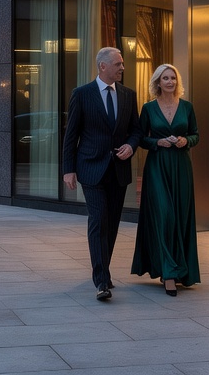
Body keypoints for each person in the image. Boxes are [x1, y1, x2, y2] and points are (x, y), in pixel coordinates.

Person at [61, 47, 142, 301]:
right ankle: (101, 281)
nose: (122, 68)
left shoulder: (129, 95)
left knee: (112, 224)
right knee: (98, 221)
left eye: (122, 64)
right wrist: (68, 169)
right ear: (103, 66)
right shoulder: (82, 94)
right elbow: (71, 134)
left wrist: (131, 145)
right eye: (118, 64)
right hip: (91, 169)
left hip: (118, 170)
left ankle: (102, 270)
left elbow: (136, 129)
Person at [131, 64, 200, 296]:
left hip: (181, 167)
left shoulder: (187, 107)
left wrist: (185, 141)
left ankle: (180, 270)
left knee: (180, 216)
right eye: (165, 78)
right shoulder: (149, 108)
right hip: (157, 167)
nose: (170, 82)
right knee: (164, 215)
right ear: (157, 83)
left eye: (173, 78)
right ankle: (168, 272)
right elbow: (140, 138)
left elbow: (195, 134)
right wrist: (156, 142)